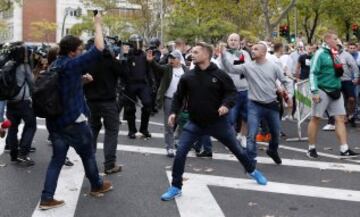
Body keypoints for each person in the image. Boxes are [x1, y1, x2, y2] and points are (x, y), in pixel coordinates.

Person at [160, 42, 267, 202]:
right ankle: (176, 187)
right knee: (180, 153)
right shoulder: (187, 76)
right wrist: (174, 112)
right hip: (195, 123)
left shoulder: (220, 75)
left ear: (206, 55)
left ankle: (252, 170)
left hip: (219, 124)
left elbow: (232, 94)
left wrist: (226, 105)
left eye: (196, 52)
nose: (192, 55)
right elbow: (178, 97)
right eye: (192, 52)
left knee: (237, 150)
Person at [39, 13, 112, 210]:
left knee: (57, 160)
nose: (81, 52)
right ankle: (97, 185)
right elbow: (98, 48)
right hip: (74, 121)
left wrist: (82, 81)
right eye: (79, 50)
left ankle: (47, 197)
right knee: (87, 154)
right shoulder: (72, 64)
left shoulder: (56, 65)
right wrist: (97, 24)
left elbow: (63, 88)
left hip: (56, 122)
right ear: (72, 52)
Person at [221, 42, 292, 165]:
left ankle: (272, 150)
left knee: (275, 134)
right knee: (251, 135)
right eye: (252, 49)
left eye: (256, 49)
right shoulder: (247, 66)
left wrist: (289, 95)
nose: (252, 51)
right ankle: (250, 161)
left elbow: (286, 81)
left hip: (271, 105)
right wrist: (223, 55)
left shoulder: (274, 66)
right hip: (254, 105)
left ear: (264, 52)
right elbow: (230, 68)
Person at [307, 31, 359, 159]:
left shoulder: (335, 53)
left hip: (336, 90)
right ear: (328, 40)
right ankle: (311, 148)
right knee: (316, 118)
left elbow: (338, 72)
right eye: (335, 39)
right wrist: (314, 91)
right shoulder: (319, 53)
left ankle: (344, 149)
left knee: (340, 119)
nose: (338, 41)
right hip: (322, 90)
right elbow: (313, 73)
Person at [84, 41, 126, 175]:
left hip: (91, 101)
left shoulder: (86, 61)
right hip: (108, 101)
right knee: (112, 132)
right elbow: (123, 73)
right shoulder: (110, 60)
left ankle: (89, 163)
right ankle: (109, 164)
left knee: (92, 130)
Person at [5, 43, 37, 167]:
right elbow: (32, 83)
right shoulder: (24, 66)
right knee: (31, 125)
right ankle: (23, 154)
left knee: (12, 128)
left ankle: (13, 155)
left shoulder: (7, 64)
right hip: (23, 102)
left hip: (10, 101)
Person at [218, 33, 251, 147]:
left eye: (235, 40)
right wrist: (222, 56)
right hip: (231, 91)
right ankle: (230, 139)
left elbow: (247, 68)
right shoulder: (223, 54)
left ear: (239, 42)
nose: (233, 42)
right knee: (231, 117)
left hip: (245, 89)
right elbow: (222, 70)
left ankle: (242, 135)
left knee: (246, 116)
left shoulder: (245, 54)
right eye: (231, 40)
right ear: (228, 41)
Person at [123, 34, 154, 139]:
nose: (137, 45)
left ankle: (144, 129)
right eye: (135, 43)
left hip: (142, 84)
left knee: (147, 105)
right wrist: (126, 57)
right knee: (130, 108)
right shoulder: (126, 56)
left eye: (139, 43)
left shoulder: (145, 55)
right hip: (130, 84)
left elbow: (149, 70)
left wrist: (152, 83)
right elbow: (122, 70)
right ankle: (132, 130)